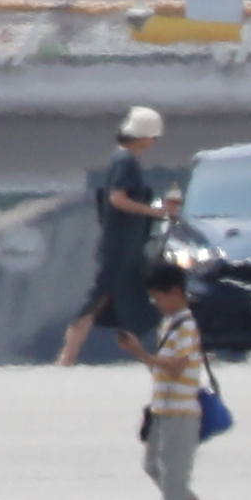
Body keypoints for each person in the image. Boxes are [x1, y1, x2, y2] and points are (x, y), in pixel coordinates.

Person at [117, 261, 222, 500]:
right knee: (153, 466)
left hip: (182, 411)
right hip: (163, 409)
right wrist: (145, 357)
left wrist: (140, 352)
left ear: (175, 293)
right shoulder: (169, 325)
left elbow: (176, 366)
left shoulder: (187, 326)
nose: (157, 304)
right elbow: (162, 367)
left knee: (174, 474)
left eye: (159, 297)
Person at [58, 106, 168, 365]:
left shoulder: (122, 160)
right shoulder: (125, 162)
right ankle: (67, 357)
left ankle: (68, 357)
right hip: (120, 250)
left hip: (125, 249)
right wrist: (152, 211)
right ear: (144, 137)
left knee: (134, 302)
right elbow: (118, 198)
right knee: (98, 303)